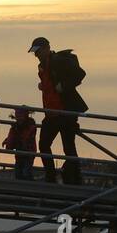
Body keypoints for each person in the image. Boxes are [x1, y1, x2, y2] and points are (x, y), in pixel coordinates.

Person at [27, 36, 87, 185]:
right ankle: (55, 176)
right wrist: (45, 86)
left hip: (64, 112)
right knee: (47, 144)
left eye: (38, 51)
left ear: (47, 48)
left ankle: (69, 178)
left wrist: (64, 86)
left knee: (66, 146)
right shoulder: (43, 65)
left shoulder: (58, 61)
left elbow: (80, 74)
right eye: (35, 52)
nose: (36, 55)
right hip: (52, 112)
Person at [1, 105, 38, 180]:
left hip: (28, 152)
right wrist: (8, 141)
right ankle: (23, 183)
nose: (19, 118)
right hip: (20, 152)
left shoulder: (30, 126)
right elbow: (14, 138)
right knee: (18, 170)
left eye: (21, 116)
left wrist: (10, 143)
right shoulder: (16, 127)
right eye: (18, 116)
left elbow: (24, 137)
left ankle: (27, 184)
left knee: (26, 171)